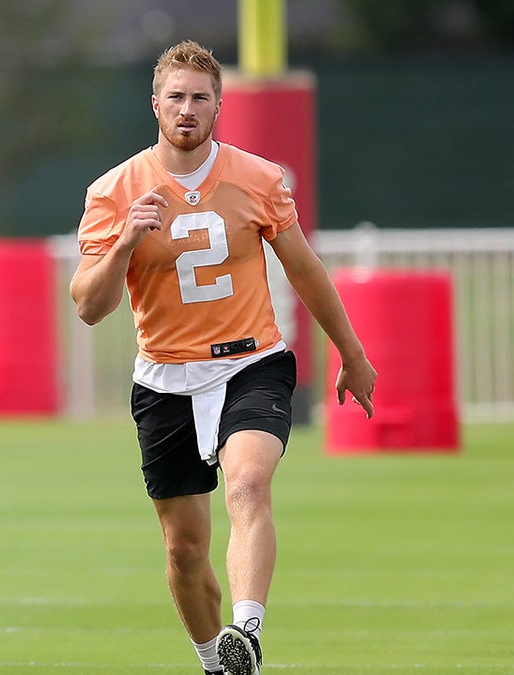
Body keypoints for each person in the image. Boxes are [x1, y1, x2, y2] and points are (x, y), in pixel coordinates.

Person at [69, 40, 376, 675]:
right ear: (154, 104)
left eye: (200, 98)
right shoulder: (114, 190)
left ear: (219, 106)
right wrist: (126, 239)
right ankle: (221, 663)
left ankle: (249, 629)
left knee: (249, 482)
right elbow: (89, 306)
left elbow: (305, 270)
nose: (187, 109)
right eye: (175, 97)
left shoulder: (258, 178)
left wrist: (351, 351)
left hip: (250, 362)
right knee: (184, 550)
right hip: (165, 376)